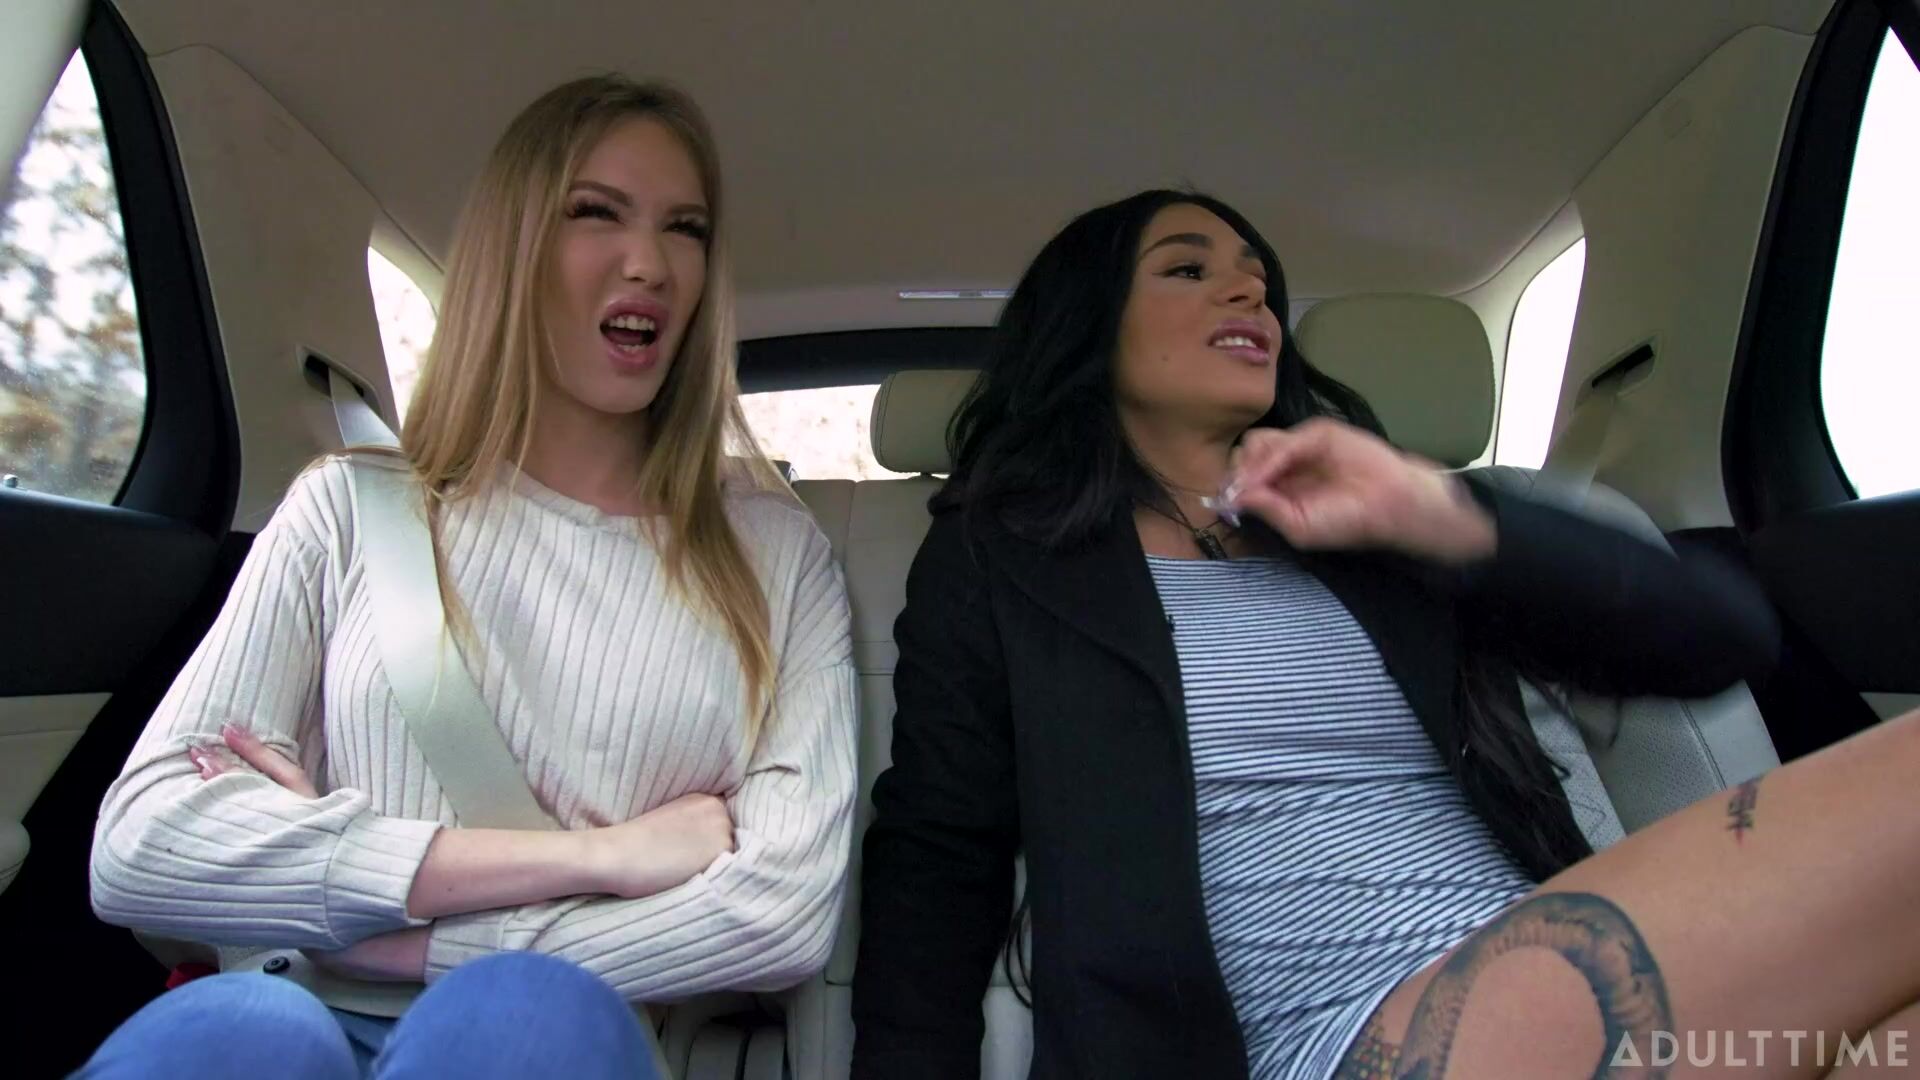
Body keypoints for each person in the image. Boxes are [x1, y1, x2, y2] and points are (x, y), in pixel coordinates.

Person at [851, 189, 1920, 1079]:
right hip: (1326, 1042)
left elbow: (1718, 640)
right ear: (1087, 324)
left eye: (1259, 277)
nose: (1248, 290)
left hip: (1529, 978)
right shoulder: (1004, 556)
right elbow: (939, 857)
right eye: (1187, 269)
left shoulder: (1380, 527)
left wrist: (1439, 517)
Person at [83, 75, 856, 1078]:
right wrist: (598, 859)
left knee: (520, 1014)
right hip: (299, 1008)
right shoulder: (348, 510)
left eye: (686, 228)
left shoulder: (776, 555)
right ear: (511, 250)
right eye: (596, 212)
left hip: (560, 1035)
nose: (651, 262)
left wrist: (402, 943)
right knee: (238, 1033)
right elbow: (144, 844)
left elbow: (779, 911)